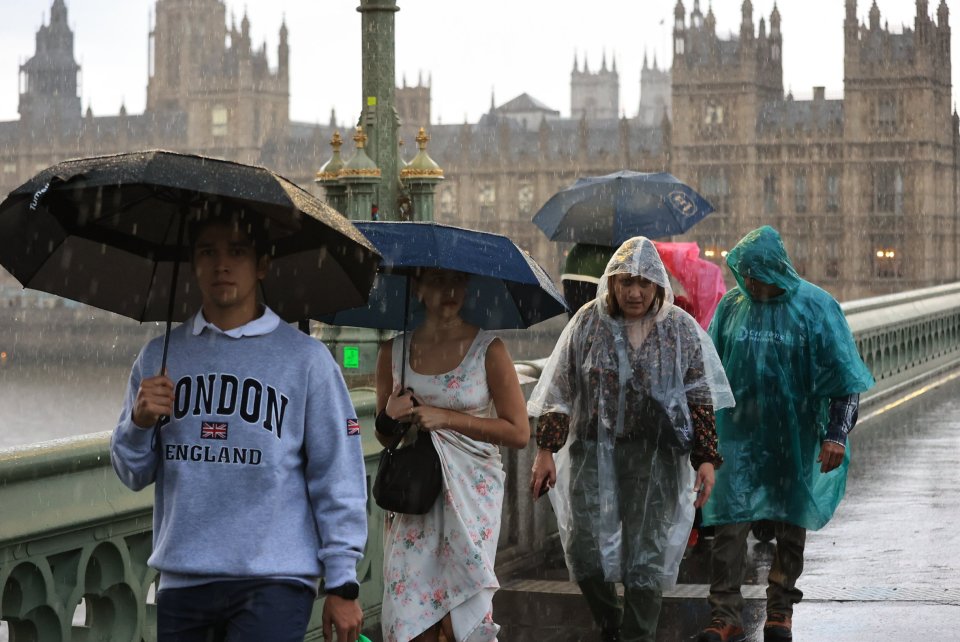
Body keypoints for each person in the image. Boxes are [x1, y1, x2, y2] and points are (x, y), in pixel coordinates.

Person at [110, 212, 367, 642]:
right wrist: (137, 424)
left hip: (275, 579)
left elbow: (337, 475)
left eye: (237, 252)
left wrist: (342, 582)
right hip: (182, 576)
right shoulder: (158, 358)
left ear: (262, 264)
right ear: (193, 264)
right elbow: (132, 473)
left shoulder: (306, 360)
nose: (221, 265)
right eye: (208, 252)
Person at [528, 236, 735, 642]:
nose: (634, 292)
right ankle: (611, 621)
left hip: (654, 456)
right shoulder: (588, 322)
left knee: (647, 555)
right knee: (584, 549)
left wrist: (706, 458)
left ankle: (636, 634)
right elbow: (560, 387)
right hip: (591, 451)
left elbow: (699, 398)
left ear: (658, 284)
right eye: (625, 282)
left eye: (643, 282)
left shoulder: (679, 330)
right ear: (612, 283)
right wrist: (545, 450)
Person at [697, 226, 874, 642]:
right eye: (744, 274)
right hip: (737, 439)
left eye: (755, 273)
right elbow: (707, 367)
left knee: (790, 527)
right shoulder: (732, 306)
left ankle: (780, 609)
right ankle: (724, 613)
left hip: (794, 438)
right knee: (728, 526)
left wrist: (836, 434)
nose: (750, 282)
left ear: (774, 269)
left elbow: (844, 376)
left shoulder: (816, 308)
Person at [375, 267, 530, 642]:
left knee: (461, 616)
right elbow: (383, 437)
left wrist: (446, 418)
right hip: (415, 497)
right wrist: (391, 416)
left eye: (457, 281)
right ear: (418, 289)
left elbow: (519, 432)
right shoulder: (393, 351)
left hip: (470, 496)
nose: (450, 290)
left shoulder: (488, 350)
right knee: (408, 618)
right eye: (437, 281)